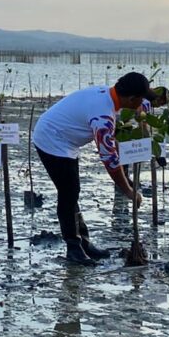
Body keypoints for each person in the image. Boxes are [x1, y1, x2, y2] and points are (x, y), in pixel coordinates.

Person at [32, 72, 150, 265]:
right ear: (131, 98)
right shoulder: (102, 116)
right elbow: (109, 159)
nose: (142, 103)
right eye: (140, 99)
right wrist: (128, 190)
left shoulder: (110, 95)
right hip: (51, 138)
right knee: (68, 192)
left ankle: (83, 242)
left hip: (66, 140)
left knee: (72, 191)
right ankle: (74, 247)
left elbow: (113, 144)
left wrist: (142, 115)